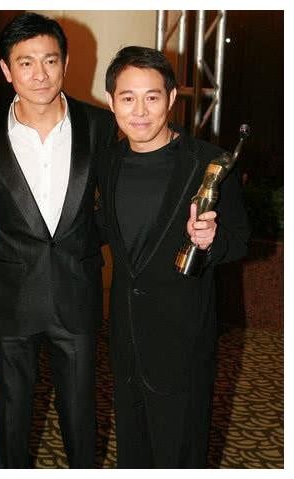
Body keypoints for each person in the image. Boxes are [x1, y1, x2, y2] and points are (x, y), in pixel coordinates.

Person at [0, 12, 117, 469]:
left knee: (81, 418)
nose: (40, 74)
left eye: (49, 60)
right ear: (6, 70)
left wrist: (87, 245)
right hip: (12, 295)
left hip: (77, 289)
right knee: (10, 418)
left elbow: (114, 205)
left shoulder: (100, 125)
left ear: (65, 63)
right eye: (25, 63)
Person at [96, 46, 250, 468]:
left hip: (182, 342)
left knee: (180, 456)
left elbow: (240, 240)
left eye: (152, 97)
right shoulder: (107, 162)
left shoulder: (209, 163)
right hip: (126, 339)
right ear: (111, 101)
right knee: (133, 455)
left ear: (171, 98)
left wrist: (212, 239)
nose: (140, 111)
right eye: (128, 98)